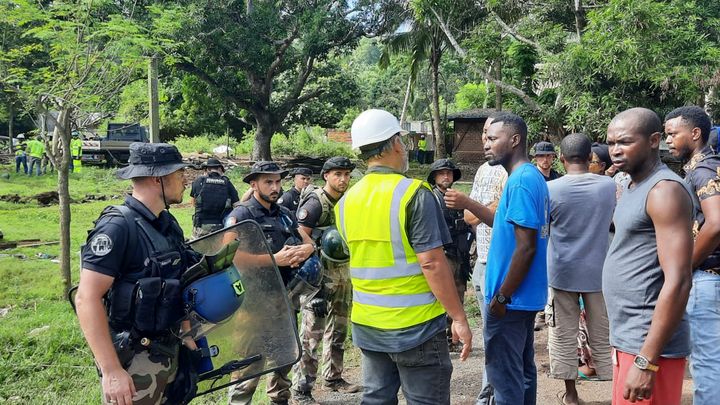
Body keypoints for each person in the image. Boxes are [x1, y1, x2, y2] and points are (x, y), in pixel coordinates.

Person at [335, 108, 472, 404]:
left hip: (369, 326)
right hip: (416, 327)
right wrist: (459, 317)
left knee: (376, 399)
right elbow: (432, 262)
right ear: (396, 143)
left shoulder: (346, 202)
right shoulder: (413, 193)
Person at [74, 142, 197, 405]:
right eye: (179, 174)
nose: (185, 181)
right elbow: (86, 298)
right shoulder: (118, 227)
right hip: (133, 362)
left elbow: (178, 279)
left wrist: (186, 334)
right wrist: (111, 371)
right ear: (158, 178)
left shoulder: (168, 224)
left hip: (169, 351)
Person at [445, 112, 550, 405]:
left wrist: (502, 298)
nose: (486, 145)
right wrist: (468, 203)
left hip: (510, 300)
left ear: (514, 140)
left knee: (504, 380)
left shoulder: (519, 182)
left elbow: (526, 247)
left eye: (492, 138)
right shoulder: (527, 176)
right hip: (522, 298)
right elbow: (504, 222)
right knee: (521, 373)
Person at [603, 107, 693, 405]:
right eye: (611, 142)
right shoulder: (632, 186)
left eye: (625, 142)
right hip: (630, 338)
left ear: (654, 140)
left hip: (649, 346)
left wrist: (646, 361)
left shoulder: (664, 190)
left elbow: (679, 280)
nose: (615, 150)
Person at [225, 161, 316, 405]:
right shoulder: (241, 215)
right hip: (252, 303)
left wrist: (305, 250)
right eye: (268, 182)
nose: (275, 187)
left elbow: (308, 241)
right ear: (253, 184)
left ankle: (280, 401)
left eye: (278, 181)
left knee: (284, 360)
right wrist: (274, 259)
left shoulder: (284, 214)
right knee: (248, 368)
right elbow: (227, 256)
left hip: (284, 300)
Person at [546, 133, 616, 405]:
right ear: (590, 158)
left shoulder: (550, 189)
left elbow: (543, 228)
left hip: (561, 272)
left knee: (563, 334)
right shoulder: (607, 186)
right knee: (605, 332)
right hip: (599, 272)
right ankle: (616, 390)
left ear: (561, 159)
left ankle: (571, 394)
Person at [291, 156, 360, 405]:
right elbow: (300, 238)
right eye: (337, 174)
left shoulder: (347, 200)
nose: (343, 179)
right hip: (319, 278)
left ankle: (333, 377)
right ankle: (301, 389)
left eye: (346, 174)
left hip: (342, 272)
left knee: (339, 328)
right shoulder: (316, 202)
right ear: (326, 176)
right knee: (311, 334)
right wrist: (315, 288)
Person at [664, 105, 720, 405]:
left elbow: (716, 223)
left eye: (673, 134)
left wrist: (685, 266)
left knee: (707, 361)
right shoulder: (710, 167)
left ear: (695, 133)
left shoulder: (703, 171)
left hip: (705, 278)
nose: (668, 140)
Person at [427, 158, 473, 351]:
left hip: (459, 254)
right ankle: (437, 340)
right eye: (441, 173)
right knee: (439, 298)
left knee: (458, 296)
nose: (446, 176)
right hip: (442, 254)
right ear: (435, 176)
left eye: (449, 173)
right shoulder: (431, 198)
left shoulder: (458, 198)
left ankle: (452, 338)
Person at [189, 157, 240, 239]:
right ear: (220, 169)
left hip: (201, 227)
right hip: (221, 228)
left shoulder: (199, 181)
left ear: (206, 170)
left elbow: (193, 202)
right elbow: (237, 205)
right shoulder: (227, 183)